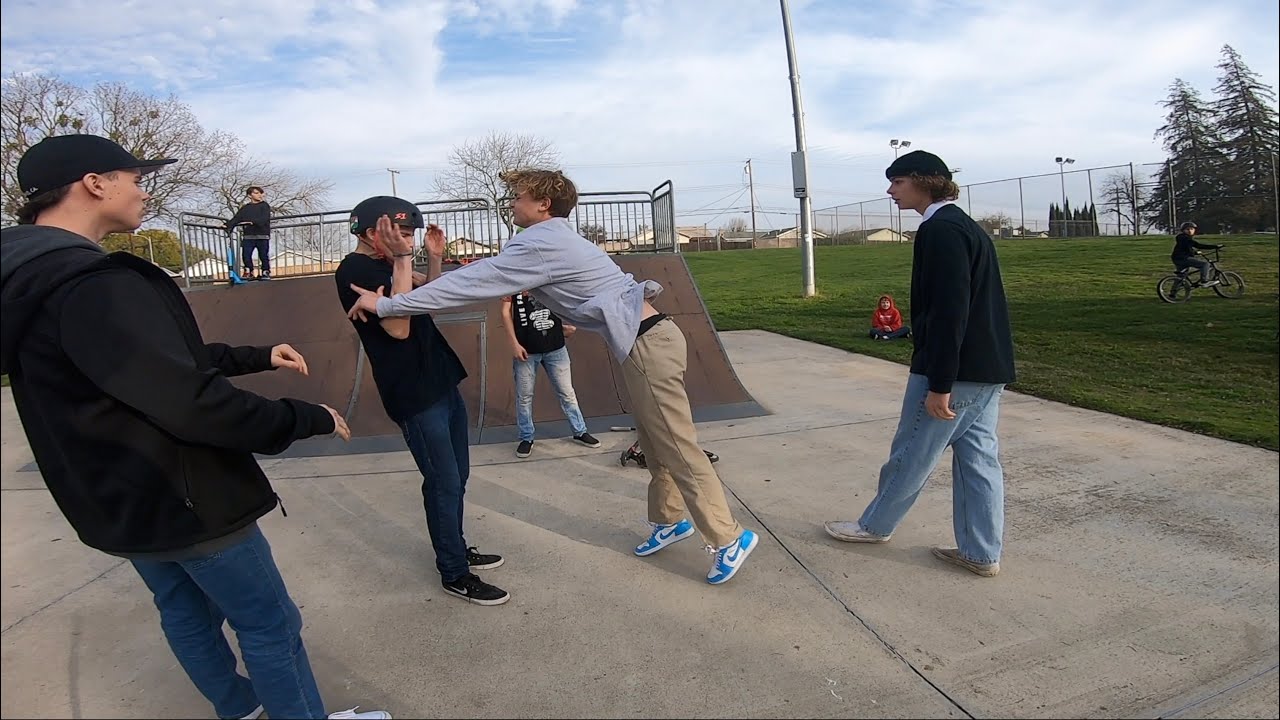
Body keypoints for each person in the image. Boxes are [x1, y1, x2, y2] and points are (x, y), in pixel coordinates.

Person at [0, 134, 389, 720]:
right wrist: (303, 416)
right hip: (183, 496)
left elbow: (140, 363)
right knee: (269, 623)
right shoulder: (93, 282)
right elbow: (190, 401)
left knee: (183, 611)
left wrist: (254, 356)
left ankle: (240, 709)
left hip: (115, 499)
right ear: (94, 183)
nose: (143, 191)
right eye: (135, 179)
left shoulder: (27, 279)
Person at [346, 169, 759, 585]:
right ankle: (669, 520)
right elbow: (481, 276)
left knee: (677, 445)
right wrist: (425, 272)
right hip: (648, 341)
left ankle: (728, 537)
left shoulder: (540, 242)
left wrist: (385, 306)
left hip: (649, 345)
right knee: (655, 441)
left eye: (518, 196)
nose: (511, 203)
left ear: (543, 204)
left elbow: (477, 282)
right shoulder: (548, 239)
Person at [823, 150, 1016, 578]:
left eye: (898, 182)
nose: (890, 190)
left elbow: (950, 311)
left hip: (955, 372)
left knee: (912, 452)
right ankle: (981, 552)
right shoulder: (965, 226)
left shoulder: (941, 230)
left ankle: (874, 526)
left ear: (925, 182)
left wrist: (940, 382)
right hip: (986, 369)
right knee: (979, 461)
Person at [334, 196, 509, 606]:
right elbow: (398, 328)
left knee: (457, 477)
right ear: (371, 232)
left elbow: (429, 295)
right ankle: (454, 572)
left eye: (410, 234)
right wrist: (400, 261)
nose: (407, 241)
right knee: (443, 481)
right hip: (413, 392)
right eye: (400, 233)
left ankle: (455, 546)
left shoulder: (387, 263)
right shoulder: (356, 270)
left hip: (440, 378)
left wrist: (433, 259)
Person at [501, 290, 600, 458]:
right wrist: (514, 344)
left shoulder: (549, 280)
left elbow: (566, 299)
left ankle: (580, 431)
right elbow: (505, 312)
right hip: (527, 350)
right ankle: (526, 437)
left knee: (567, 392)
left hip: (555, 348)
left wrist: (569, 324)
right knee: (524, 396)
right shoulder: (514, 282)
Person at [225, 185, 272, 280]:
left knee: (263, 255)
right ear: (249, 195)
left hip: (262, 235)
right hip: (248, 235)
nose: (259, 195)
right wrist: (227, 225)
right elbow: (237, 218)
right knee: (246, 255)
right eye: (256, 193)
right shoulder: (245, 208)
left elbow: (264, 218)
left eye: (260, 193)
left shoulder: (264, 206)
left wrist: (252, 222)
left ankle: (265, 271)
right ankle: (249, 271)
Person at [1170, 221, 1221, 287]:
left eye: (1192, 229)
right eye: (1187, 229)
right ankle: (1204, 281)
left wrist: (1194, 252)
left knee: (1181, 276)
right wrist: (1215, 246)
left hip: (1177, 258)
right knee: (1205, 264)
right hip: (1183, 258)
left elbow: (1185, 248)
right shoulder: (1185, 238)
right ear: (1183, 230)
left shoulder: (1182, 238)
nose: (1190, 231)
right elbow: (1198, 245)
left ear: (1194, 230)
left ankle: (1173, 292)